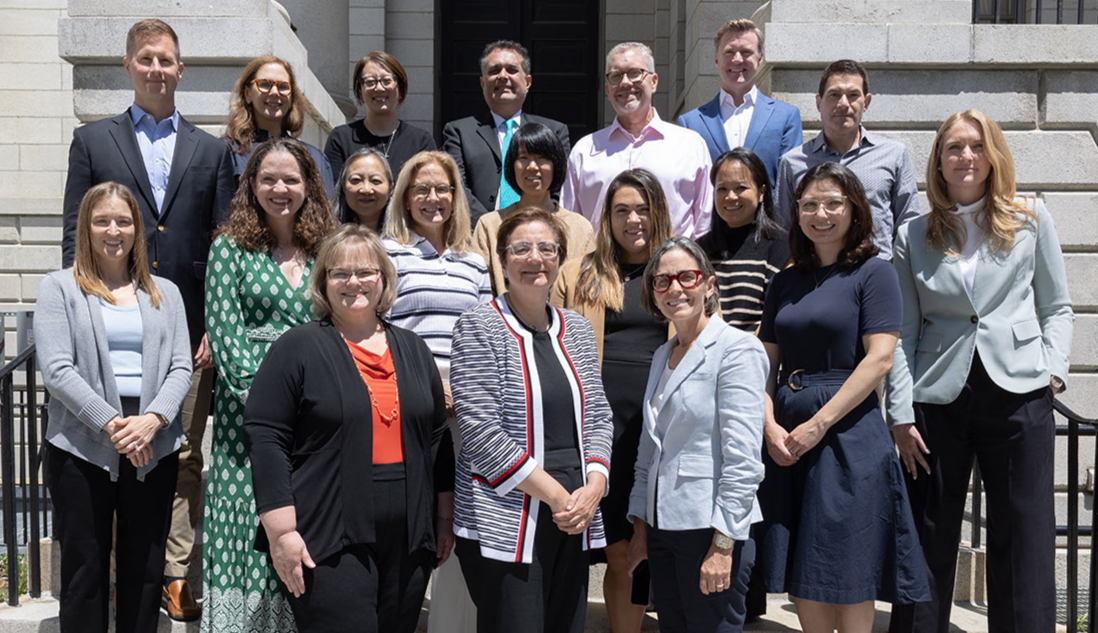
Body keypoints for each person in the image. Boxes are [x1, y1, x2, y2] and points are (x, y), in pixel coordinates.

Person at [59, 18, 235, 621]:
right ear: (130, 66)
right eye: (147, 59)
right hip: (103, 325)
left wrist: (214, 321)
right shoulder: (94, 141)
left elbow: (223, 244)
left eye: (168, 60)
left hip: (179, 332)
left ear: (181, 69)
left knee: (178, 453)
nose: (158, 69)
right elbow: (73, 235)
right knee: (97, 456)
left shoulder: (212, 150)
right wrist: (76, 310)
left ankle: (171, 575)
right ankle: (103, 576)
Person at [886, 111, 1074, 633]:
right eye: (953, 148)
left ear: (993, 155)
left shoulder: (1030, 218)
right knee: (928, 532)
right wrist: (899, 412)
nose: (965, 156)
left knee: (1024, 533)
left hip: (1018, 393)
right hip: (937, 398)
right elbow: (903, 331)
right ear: (938, 162)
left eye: (976, 146)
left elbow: (1057, 308)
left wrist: (1051, 374)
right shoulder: (913, 235)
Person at [243, 225, 452, 633]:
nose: (353, 282)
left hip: (410, 535)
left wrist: (443, 521)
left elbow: (436, 438)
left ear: (384, 279)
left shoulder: (413, 348)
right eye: (340, 273)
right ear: (323, 282)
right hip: (327, 530)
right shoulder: (297, 347)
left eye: (365, 272)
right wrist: (281, 531)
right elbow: (266, 435)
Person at [756, 162, 929, 632]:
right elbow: (763, 362)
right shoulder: (785, 280)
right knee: (803, 567)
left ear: (855, 210)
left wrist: (818, 425)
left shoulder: (875, 273)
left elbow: (879, 360)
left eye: (833, 203)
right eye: (809, 204)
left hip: (848, 433)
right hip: (787, 435)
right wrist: (770, 425)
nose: (821, 213)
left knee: (851, 568)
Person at [450, 208, 614, 633]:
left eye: (547, 248)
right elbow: (482, 433)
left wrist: (594, 486)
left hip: (573, 515)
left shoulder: (575, 328)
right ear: (502, 261)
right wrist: (559, 498)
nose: (534, 258)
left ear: (560, 259)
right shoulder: (479, 325)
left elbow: (597, 413)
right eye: (521, 248)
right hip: (508, 516)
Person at [39, 182, 193, 633]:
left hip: (153, 439)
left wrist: (151, 421)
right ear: (85, 227)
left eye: (123, 221)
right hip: (81, 441)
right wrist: (113, 424)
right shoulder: (59, 288)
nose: (113, 230)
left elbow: (182, 367)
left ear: (137, 229)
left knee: (144, 568)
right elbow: (57, 369)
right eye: (102, 220)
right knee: (85, 568)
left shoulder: (165, 291)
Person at [201, 137, 338, 633]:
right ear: (251, 185)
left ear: (309, 185)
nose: (280, 188)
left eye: (291, 179)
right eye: (268, 179)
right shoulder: (229, 249)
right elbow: (228, 340)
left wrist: (320, 402)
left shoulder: (328, 248)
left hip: (318, 417)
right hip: (249, 421)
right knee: (248, 519)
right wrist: (278, 407)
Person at [625, 236, 768, 632]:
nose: (675, 288)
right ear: (652, 293)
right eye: (662, 281)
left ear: (708, 284)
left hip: (710, 530)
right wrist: (641, 527)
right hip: (662, 528)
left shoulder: (737, 350)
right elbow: (648, 450)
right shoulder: (662, 354)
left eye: (686, 277)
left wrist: (723, 546)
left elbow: (743, 458)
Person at [551, 169, 672, 633]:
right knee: (580, 540)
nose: (633, 219)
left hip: (654, 427)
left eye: (642, 209)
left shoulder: (678, 270)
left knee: (632, 545)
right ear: (607, 217)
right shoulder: (577, 272)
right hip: (593, 427)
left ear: (657, 213)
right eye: (622, 210)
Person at [381, 150, 491, 633]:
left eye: (442, 188)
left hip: (464, 411)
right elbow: (377, 327)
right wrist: (429, 383)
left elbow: (488, 331)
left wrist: (461, 388)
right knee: (407, 518)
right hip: (405, 402)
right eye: (421, 189)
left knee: (460, 522)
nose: (433, 198)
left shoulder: (476, 261)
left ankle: (450, 625)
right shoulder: (388, 253)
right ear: (405, 196)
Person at [562, 42, 712, 239]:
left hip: (672, 266)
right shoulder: (584, 151)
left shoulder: (690, 145)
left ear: (654, 81)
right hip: (602, 268)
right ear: (607, 90)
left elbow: (705, 221)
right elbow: (569, 224)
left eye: (635, 73)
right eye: (616, 76)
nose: (625, 82)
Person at [774, 59, 920, 260]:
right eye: (834, 95)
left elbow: (908, 225)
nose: (843, 104)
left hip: (877, 276)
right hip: (814, 278)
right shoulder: (793, 162)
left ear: (866, 102)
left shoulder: (894, 155)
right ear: (819, 102)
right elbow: (782, 232)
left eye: (853, 95)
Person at [442, 40, 572, 228]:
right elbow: (457, 187)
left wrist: (532, 226)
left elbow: (558, 185)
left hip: (540, 232)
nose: (503, 76)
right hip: (478, 235)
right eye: (494, 71)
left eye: (512, 70)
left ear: (527, 82)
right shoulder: (459, 132)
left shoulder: (554, 131)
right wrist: (490, 226)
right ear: (482, 83)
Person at [473, 122, 595, 295]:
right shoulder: (490, 225)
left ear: (556, 165)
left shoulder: (580, 228)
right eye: (523, 158)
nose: (532, 166)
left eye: (542, 158)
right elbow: (480, 288)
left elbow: (588, 291)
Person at [677, 19, 802, 186]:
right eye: (729, 52)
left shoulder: (786, 117)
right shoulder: (691, 123)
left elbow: (790, 185)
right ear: (716, 60)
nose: (737, 59)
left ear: (760, 59)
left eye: (746, 52)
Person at [697, 148, 789, 332]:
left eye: (741, 188)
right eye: (722, 189)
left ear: (762, 192)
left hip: (760, 351)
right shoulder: (699, 250)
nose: (730, 197)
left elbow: (778, 312)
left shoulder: (782, 246)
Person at [223, 55, 335, 199]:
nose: (275, 92)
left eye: (283, 87)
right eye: (264, 85)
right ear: (248, 94)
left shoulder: (314, 158)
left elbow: (327, 213)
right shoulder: (226, 154)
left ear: (291, 98)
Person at [324, 51, 437, 181]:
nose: (379, 88)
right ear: (359, 90)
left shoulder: (420, 142)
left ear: (400, 88)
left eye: (387, 81)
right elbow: (333, 194)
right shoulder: (341, 139)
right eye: (370, 82)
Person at [335, 147, 393, 232]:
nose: (366, 190)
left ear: (391, 189)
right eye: (356, 180)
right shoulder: (327, 236)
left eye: (375, 181)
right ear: (343, 186)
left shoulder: (409, 239)